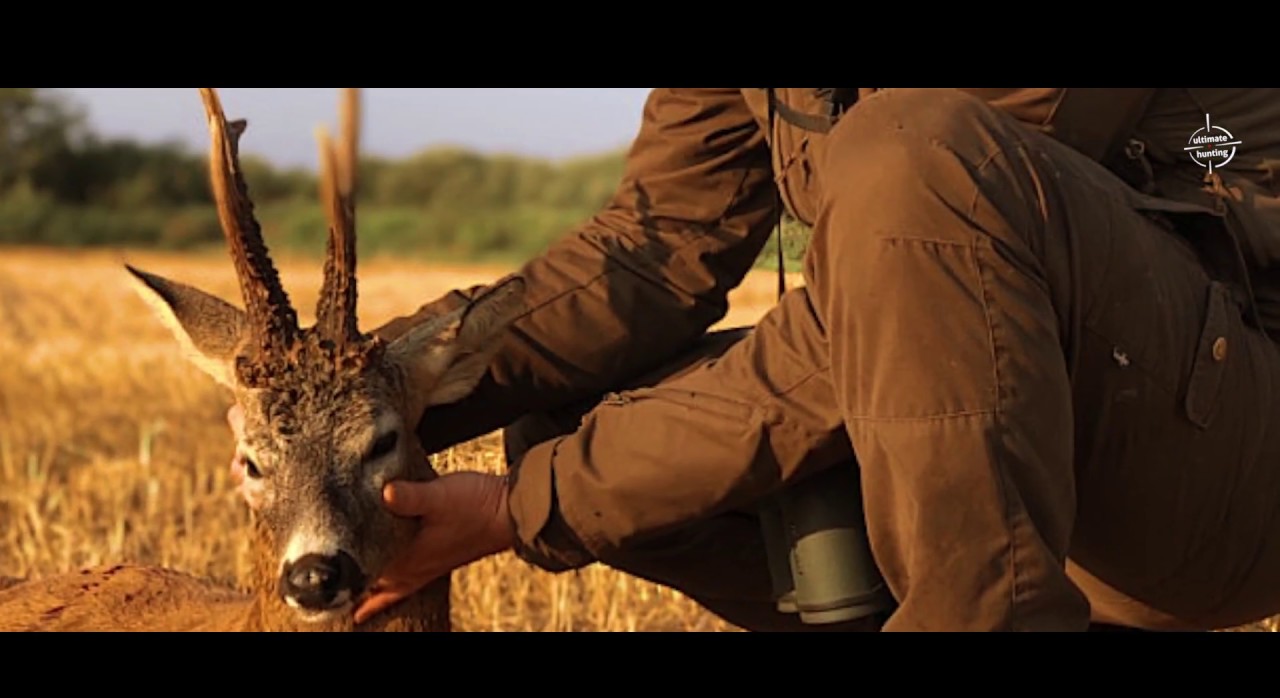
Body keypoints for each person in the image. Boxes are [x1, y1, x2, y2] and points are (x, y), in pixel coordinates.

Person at [230, 88, 1280, 632]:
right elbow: (656, 245)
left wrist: (525, 507)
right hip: (1009, 395)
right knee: (568, 413)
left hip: (1220, 460)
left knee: (910, 158)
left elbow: (901, 291)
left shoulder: (933, 169)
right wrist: (355, 396)